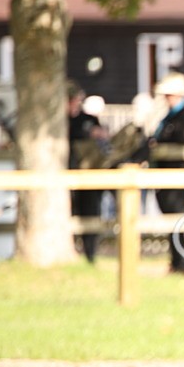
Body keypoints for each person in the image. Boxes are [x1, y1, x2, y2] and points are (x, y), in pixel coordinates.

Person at [150, 72, 184, 274]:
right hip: (167, 174)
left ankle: (183, 263)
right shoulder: (170, 116)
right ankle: (176, 261)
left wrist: (161, 144)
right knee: (172, 218)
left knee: (179, 218)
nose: (167, 98)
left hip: (180, 173)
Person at [67, 82, 109, 263]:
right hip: (67, 176)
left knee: (91, 213)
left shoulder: (88, 119)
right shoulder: (60, 122)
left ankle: (90, 255)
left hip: (90, 175)